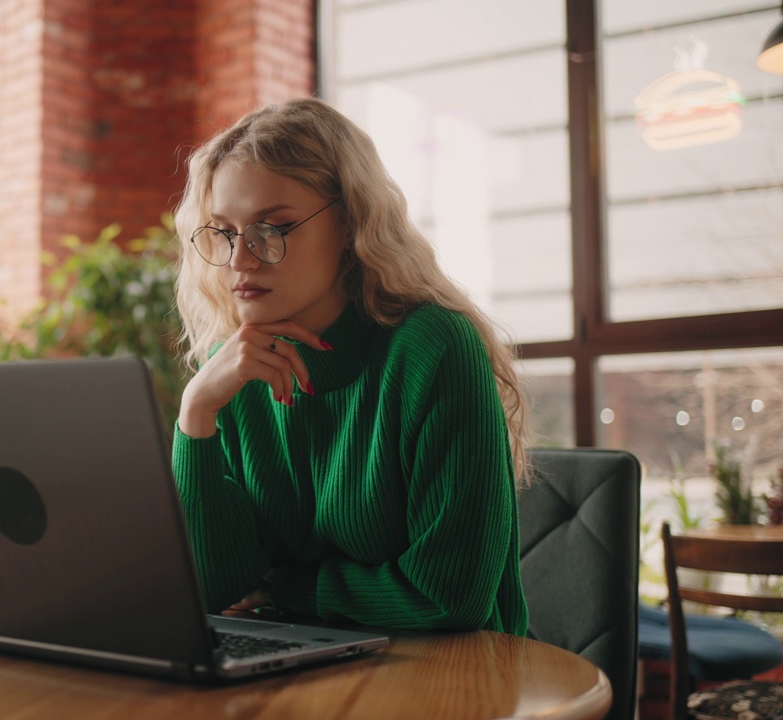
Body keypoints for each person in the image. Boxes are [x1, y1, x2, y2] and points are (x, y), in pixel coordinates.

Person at [171, 97, 530, 634]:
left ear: (349, 224)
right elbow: (205, 591)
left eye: (274, 229)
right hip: (308, 676)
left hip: (458, 681)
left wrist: (282, 587)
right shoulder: (236, 373)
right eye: (223, 232)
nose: (240, 259)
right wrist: (195, 415)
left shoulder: (431, 347)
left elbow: (448, 597)